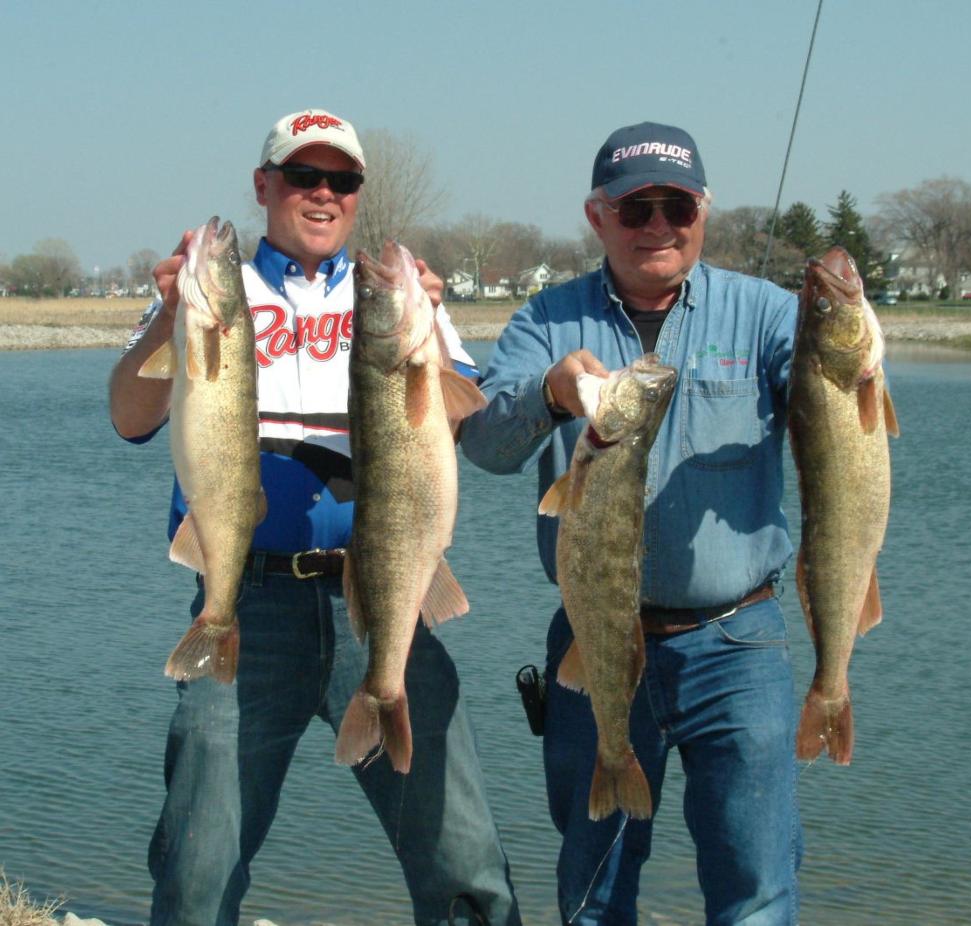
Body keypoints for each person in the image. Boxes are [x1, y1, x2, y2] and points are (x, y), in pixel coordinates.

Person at [109, 108, 520, 926]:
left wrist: (433, 331)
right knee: (199, 862)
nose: (324, 194)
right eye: (304, 176)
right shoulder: (215, 290)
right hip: (249, 607)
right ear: (265, 187)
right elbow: (128, 417)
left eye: (343, 180)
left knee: (463, 856)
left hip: (385, 594)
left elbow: (473, 423)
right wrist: (166, 316)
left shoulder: (398, 297)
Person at [459, 122, 802, 925]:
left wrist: (839, 353)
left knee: (756, 883)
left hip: (739, 643)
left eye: (676, 205)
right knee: (594, 882)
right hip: (593, 637)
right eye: (636, 206)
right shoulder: (547, 318)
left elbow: (831, 399)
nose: (658, 224)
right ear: (596, 216)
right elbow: (483, 444)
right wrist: (546, 392)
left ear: (703, 211)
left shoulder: (766, 313)